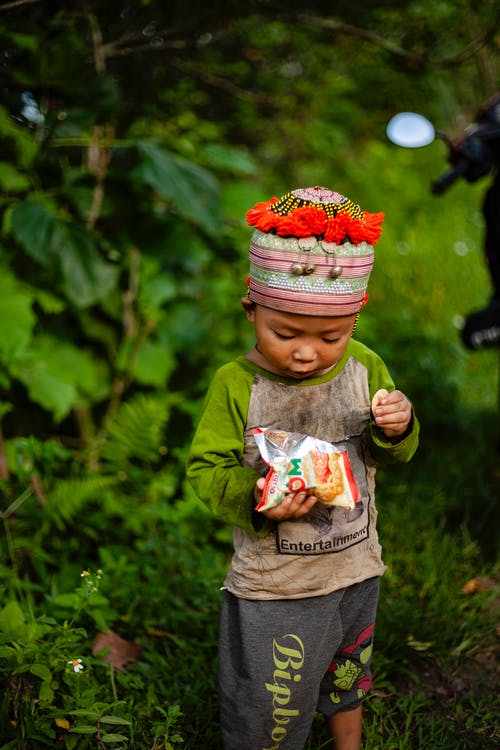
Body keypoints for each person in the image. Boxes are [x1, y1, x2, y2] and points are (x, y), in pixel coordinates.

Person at [187, 185, 419, 750]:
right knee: (272, 698)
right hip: (278, 584)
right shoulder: (238, 384)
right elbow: (206, 469)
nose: (306, 353)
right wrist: (259, 497)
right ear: (251, 311)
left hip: (356, 565)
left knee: (348, 672)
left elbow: (395, 453)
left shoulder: (365, 367)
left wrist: (399, 427)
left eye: (331, 336)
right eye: (284, 333)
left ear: (354, 321)